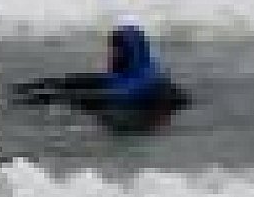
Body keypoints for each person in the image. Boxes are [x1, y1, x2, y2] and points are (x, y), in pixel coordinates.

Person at [12, 24, 189, 132]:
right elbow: (84, 81)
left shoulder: (148, 80)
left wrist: (56, 98)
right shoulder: (127, 74)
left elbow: (115, 95)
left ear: (130, 52)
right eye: (111, 48)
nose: (110, 54)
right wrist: (37, 86)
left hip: (144, 117)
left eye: (116, 50)